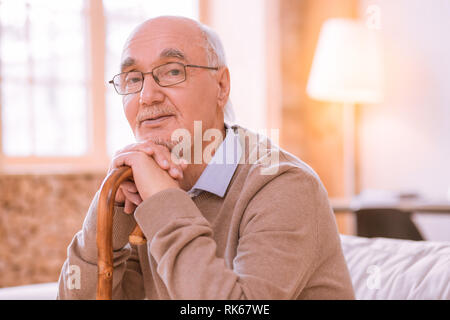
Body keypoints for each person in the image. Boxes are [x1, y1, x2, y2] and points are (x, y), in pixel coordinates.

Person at [57, 16, 355, 300]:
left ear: (221, 86)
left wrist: (164, 203)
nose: (146, 96)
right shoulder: (144, 184)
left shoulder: (286, 186)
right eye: (133, 79)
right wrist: (109, 215)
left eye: (173, 71)